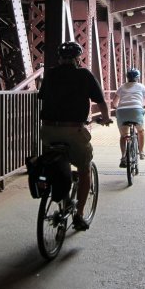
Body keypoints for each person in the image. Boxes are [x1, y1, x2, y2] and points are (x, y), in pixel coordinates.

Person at [38, 41, 113, 231]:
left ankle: (59, 190)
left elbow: (42, 98)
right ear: (78, 58)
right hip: (74, 130)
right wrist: (106, 118)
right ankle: (79, 214)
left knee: (53, 162)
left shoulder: (51, 74)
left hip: (47, 130)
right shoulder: (84, 74)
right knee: (85, 168)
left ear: (60, 58)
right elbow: (101, 102)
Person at [111, 68, 145, 167]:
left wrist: (116, 107)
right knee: (140, 131)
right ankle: (141, 152)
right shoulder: (141, 86)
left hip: (121, 111)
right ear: (137, 78)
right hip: (136, 110)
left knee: (123, 136)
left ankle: (123, 157)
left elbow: (114, 102)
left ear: (127, 77)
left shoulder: (122, 87)